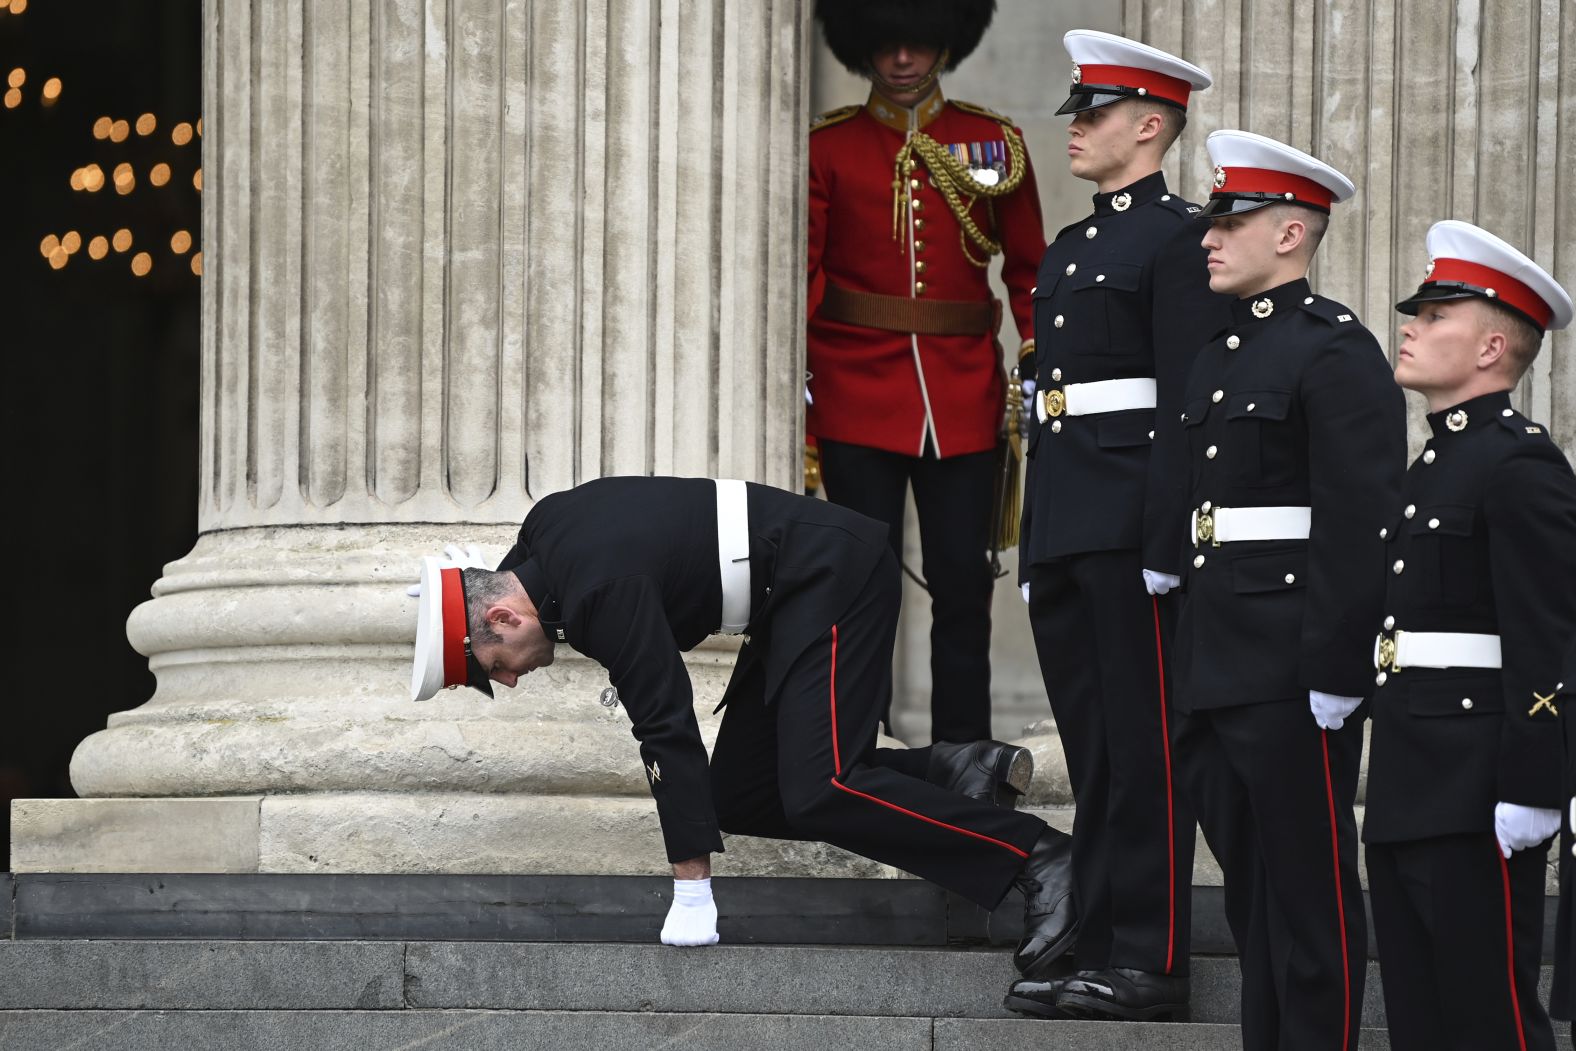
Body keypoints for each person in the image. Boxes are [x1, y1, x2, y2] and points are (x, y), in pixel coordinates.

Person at [409, 476, 1074, 975]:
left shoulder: (593, 590)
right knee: (743, 791)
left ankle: (1037, 857)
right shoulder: (544, 539)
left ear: (501, 619)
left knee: (824, 786)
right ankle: (957, 772)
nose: (514, 677)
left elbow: (667, 725)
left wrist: (692, 890)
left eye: (496, 666)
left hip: (831, 571)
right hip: (786, 594)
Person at [1002, 30, 1229, 1023]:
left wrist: (1167, 544)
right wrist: (1034, 534)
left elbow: (1187, 401)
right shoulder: (1076, 243)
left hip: (1133, 525)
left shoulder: (1179, 239)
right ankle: (1094, 936)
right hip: (1069, 522)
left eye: (1091, 116)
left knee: (1144, 746)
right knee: (1094, 749)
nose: (1074, 130)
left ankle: (1150, 956)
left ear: (1148, 126)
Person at [1167, 130, 1407, 1050]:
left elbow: (1364, 520)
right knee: (1256, 889)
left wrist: (1338, 664)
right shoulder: (1220, 353)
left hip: (1289, 662)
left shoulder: (1333, 350)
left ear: (1292, 232)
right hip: (1216, 654)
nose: (1210, 238)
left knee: (1309, 890)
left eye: (1231, 221)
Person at [1362, 219, 1576, 1051]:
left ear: (1491, 347)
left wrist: (1532, 783)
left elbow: (1548, 635)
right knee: (1421, 1019)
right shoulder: (1434, 466)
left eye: (1434, 315)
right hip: (1412, 776)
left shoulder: (1519, 466)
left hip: (1478, 784)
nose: (1409, 327)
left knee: (1489, 1019)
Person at [807, 0, 1044, 745]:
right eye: (885, 44)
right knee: (861, 590)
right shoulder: (829, 147)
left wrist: (1036, 354)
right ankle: (856, 753)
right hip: (852, 397)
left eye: (917, 42)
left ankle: (964, 758)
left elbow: (1029, 271)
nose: (902, 59)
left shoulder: (991, 143)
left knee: (964, 592)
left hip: (963, 397)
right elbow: (805, 277)